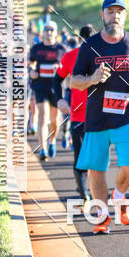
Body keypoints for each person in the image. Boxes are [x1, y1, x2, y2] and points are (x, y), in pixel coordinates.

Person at [71, 0, 129, 234]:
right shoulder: (90, 46)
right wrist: (92, 79)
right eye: (110, 11)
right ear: (102, 15)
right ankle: (103, 216)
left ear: (125, 15)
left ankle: (118, 195)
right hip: (96, 119)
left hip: (126, 117)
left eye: (119, 11)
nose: (115, 15)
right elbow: (74, 81)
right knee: (95, 170)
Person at [53, 24, 96, 204]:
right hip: (78, 113)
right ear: (79, 40)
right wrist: (60, 99)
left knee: (95, 158)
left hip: (99, 115)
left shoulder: (102, 57)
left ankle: (91, 190)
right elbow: (57, 79)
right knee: (80, 156)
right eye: (84, 41)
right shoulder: (70, 56)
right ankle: (84, 192)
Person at [28, 21, 66, 161]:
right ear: (43, 32)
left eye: (52, 30)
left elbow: (67, 67)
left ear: (56, 32)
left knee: (54, 121)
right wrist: (31, 71)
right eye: (46, 30)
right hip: (40, 86)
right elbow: (30, 63)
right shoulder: (36, 48)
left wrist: (60, 69)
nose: (49, 32)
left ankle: (52, 141)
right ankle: (42, 150)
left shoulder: (61, 48)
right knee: (43, 116)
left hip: (55, 87)